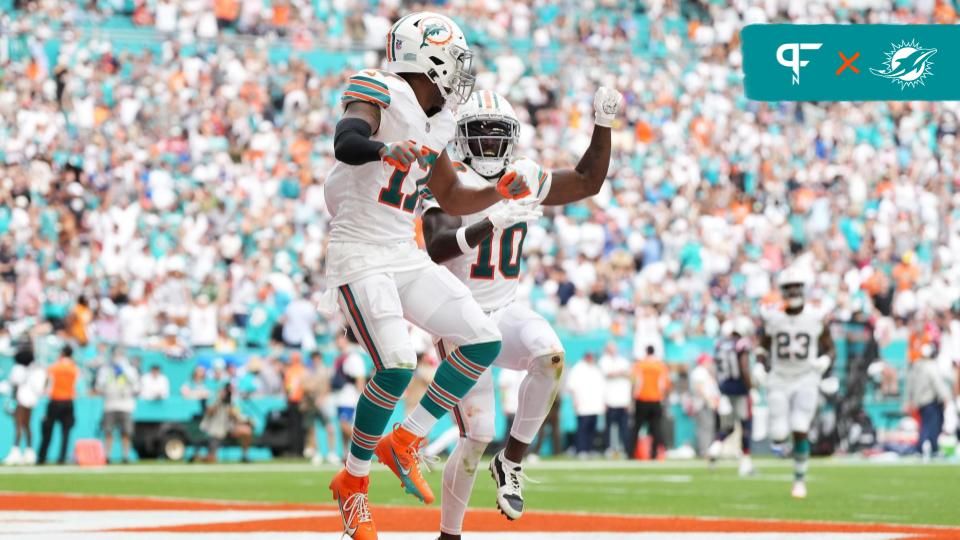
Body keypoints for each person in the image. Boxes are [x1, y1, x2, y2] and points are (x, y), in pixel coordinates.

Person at [324, 13, 534, 539]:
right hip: (359, 251)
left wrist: (498, 193)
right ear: (426, 57)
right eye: (455, 59)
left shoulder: (442, 117)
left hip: (401, 247)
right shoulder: (384, 90)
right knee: (396, 365)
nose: (462, 73)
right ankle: (353, 483)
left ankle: (408, 439)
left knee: (480, 339)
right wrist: (382, 148)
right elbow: (347, 139)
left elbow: (452, 196)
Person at [418, 87, 622, 535]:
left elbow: (588, 180)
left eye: (498, 137)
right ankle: (449, 535)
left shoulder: (524, 175)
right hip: (460, 320)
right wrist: (489, 222)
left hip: (504, 307)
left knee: (550, 355)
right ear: (461, 138)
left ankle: (511, 462)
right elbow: (435, 246)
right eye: (481, 136)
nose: (490, 146)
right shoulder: (448, 178)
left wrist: (603, 124)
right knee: (476, 437)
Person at [756, 267, 835, 499]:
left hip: (806, 377)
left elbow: (830, 347)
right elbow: (762, 346)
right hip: (779, 378)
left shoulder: (815, 317)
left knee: (800, 426)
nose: (792, 292)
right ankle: (787, 449)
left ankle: (799, 480)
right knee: (779, 433)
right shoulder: (773, 318)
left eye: (796, 287)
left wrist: (825, 360)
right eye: (788, 288)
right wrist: (760, 364)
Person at [708, 317, 755, 476]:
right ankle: (746, 463)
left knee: (728, 425)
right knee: (746, 425)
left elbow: (715, 368)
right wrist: (750, 387)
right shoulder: (741, 344)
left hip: (724, 388)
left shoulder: (720, 344)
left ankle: (715, 447)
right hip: (739, 388)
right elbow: (744, 367)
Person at [905, 344, 951, 459]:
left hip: (920, 402)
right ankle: (931, 449)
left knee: (925, 425)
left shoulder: (916, 366)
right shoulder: (930, 366)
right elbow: (937, 383)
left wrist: (910, 400)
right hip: (930, 401)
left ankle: (922, 449)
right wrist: (945, 396)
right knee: (932, 426)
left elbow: (910, 385)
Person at [3, 344, 46, 465]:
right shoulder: (36, 369)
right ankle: (29, 452)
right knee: (27, 425)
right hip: (31, 400)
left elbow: (14, 384)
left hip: (20, 400)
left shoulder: (18, 369)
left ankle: (15, 451)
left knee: (18, 426)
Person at [38, 345, 79, 465]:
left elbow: (47, 384)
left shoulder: (54, 367)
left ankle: (42, 457)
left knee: (48, 430)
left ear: (62, 353)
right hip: (68, 401)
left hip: (55, 400)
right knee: (66, 432)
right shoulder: (74, 368)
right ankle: (62, 458)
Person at [95, 355, 140, 463]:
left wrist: (123, 371)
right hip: (110, 405)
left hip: (126, 405)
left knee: (126, 433)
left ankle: (125, 456)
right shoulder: (105, 370)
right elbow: (98, 387)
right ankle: (107, 456)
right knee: (108, 432)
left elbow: (136, 387)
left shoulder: (130, 370)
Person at [332, 332, 368, 460]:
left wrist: (360, 396)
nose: (337, 342)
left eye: (340, 339)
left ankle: (365, 447)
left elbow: (360, 378)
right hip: (341, 396)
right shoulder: (341, 357)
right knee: (342, 427)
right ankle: (346, 453)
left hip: (350, 396)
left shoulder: (353, 357)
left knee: (345, 424)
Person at [632, 346, 671, 460]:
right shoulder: (660, 366)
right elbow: (665, 384)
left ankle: (631, 452)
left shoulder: (639, 365)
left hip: (641, 399)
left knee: (636, 427)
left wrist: (633, 397)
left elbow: (635, 382)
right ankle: (655, 453)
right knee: (656, 428)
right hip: (656, 399)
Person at [199, 384, 253, 463]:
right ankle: (200, 457)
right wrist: (219, 401)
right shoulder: (214, 399)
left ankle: (245, 455)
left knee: (246, 431)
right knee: (211, 460)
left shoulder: (232, 401)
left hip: (228, 429)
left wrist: (245, 419)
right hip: (214, 431)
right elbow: (209, 412)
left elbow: (236, 415)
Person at [302, 352, 339, 465]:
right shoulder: (308, 371)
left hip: (324, 403)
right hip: (311, 403)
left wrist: (321, 398)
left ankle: (332, 453)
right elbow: (305, 386)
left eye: (317, 358)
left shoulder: (326, 371)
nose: (315, 360)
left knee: (329, 428)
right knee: (312, 429)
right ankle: (317, 453)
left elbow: (328, 386)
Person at [566, 353, 605, 458]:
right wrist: (575, 400)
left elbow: (601, 387)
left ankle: (590, 448)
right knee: (583, 428)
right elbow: (572, 386)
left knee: (592, 429)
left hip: (594, 404)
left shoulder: (595, 369)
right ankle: (581, 449)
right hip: (583, 404)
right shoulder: (577, 369)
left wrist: (602, 402)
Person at [599, 343, 632, 458]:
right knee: (609, 427)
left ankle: (625, 449)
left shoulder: (623, 361)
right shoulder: (604, 361)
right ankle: (609, 449)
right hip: (610, 400)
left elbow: (629, 377)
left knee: (624, 427)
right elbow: (608, 374)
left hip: (623, 401)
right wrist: (621, 373)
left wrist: (629, 401)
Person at [689, 353, 719, 459]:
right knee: (705, 427)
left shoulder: (703, 372)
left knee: (707, 427)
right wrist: (709, 400)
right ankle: (704, 451)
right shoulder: (700, 372)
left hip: (705, 403)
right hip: (702, 404)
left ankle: (705, 449)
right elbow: (700, 387)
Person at [284, 351, 308, 455]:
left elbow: (287, 387)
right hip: (300, 401)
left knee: (294, 427)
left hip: (294, 401)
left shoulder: (290, 371)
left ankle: (295, 450)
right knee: (300, 427)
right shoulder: (303, 370)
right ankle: (300, 450)